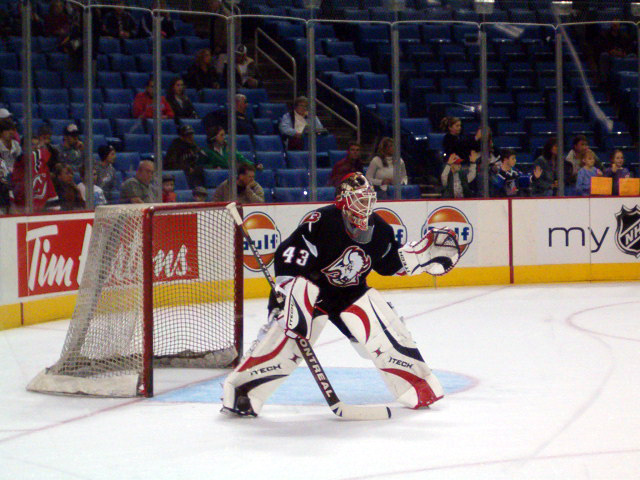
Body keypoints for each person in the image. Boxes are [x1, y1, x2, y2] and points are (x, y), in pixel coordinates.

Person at [221, 173, 459, 417]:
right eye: (358, 200)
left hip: (350, 294)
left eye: (368, 199)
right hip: (312, 292)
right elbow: (288, 254)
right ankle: (242, 392)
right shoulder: (322, 222)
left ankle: (417, 386)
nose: (365, 206)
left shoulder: (380, 229)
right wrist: (288, 292)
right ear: (342, 201)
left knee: (382, 328)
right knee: (289, 333)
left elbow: (387, 265)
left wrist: (417, 257)